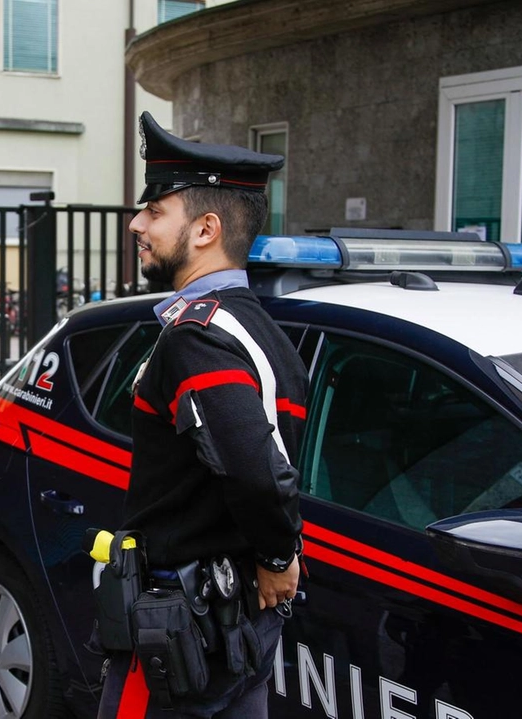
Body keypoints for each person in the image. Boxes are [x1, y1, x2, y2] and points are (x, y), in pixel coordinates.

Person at [97, 112, 308, 719]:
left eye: (156, 210)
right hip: (236, 627)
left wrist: (276, 554)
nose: (137, 223)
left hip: (182, 636)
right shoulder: (267, 332)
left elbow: (251, 466)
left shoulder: (197, 337)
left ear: (205, 229)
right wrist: (275, 558)